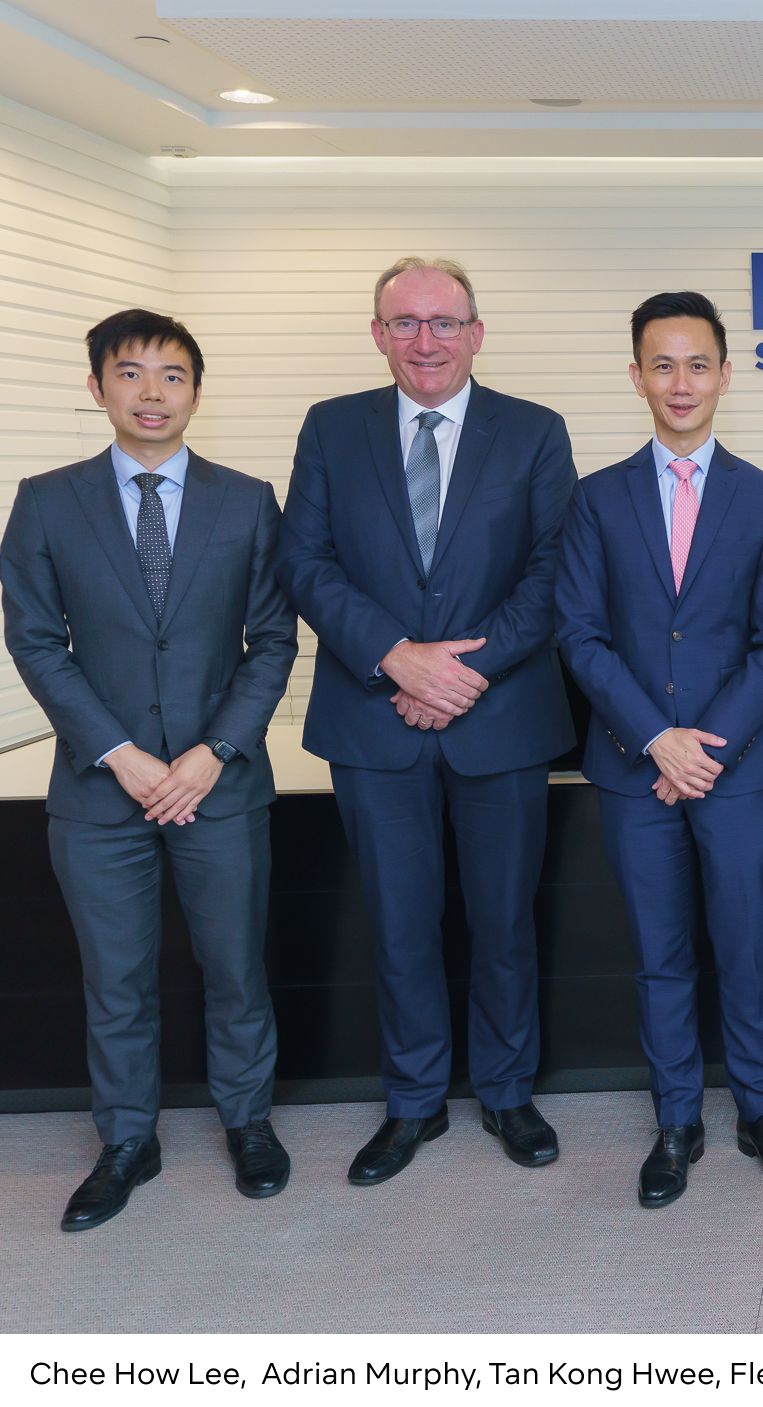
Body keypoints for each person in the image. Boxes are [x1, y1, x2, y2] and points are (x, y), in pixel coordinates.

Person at [277, 258, 577, 1185]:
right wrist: (397, 658)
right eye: (404, 322)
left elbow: (555, 570)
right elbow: (304, 562)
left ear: (476, 333)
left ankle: (507, 1090)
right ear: (377, 334)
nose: (426, 340)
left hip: (502, 716)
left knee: (504, 922)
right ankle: (413, 1102)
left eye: (444, 322)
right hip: (375, 719)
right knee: (399, 924)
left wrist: (461, 671)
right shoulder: (331, 427)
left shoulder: (534, 431)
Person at [2, 310, 297, 1230]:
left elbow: (273, 640)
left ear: (196, 392)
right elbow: (35, 641)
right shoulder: (47, 501)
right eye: (130, 374)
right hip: (100, 790)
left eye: (172, 375)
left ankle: (248, 1120)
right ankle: (128, 1139)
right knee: (116, 979)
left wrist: (212, 753)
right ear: (97, 387)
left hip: (220, 785)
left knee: (236, 968)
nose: (152, 393)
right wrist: (121, 754)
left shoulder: (247, 500)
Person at [555, 291, 763, 1208]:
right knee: (660, 956)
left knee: (746, 948)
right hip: (635, 770)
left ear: (725, 375)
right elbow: (581, 634)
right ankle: (676, 1121)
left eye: (697, 364)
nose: (681, 381)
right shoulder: (595, 499)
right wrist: (657, 741)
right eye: (662, 365)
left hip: (736, 774)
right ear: (636, 377)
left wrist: (704, 750)